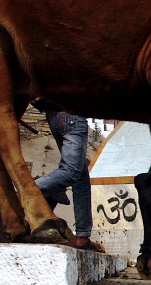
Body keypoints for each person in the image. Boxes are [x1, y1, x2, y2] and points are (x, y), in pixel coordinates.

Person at [33, 98, 102, 251]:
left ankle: (83, 237)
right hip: (72, 117)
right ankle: (24, 190)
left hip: (55, 118)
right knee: (71, 171)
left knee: (81, 180)